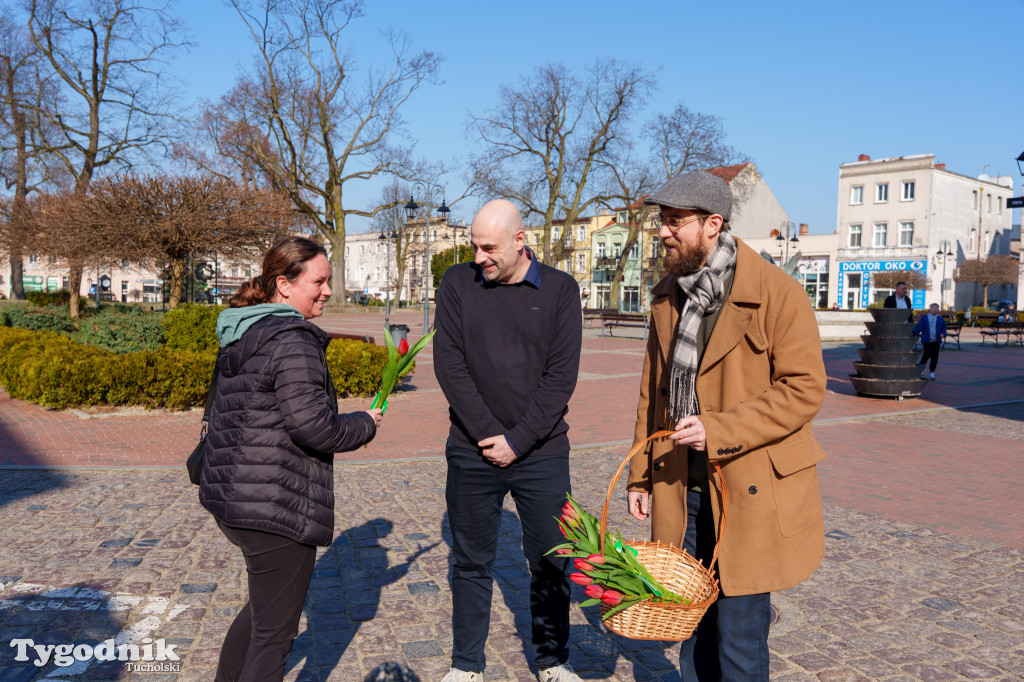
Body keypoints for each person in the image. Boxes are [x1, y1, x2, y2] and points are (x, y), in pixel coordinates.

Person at [626, 171, 827, 681]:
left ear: (713, 224)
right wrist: (640, 474)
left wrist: (720, 428)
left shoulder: (778, 294)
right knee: (691, 627)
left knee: (738, 639)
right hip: (681, 487)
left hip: (748, 490)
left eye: (675, 222)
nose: (664, 232)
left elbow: (804, 389)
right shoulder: (666, 295)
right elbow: (653, 394)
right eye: (662, 221)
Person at [199, 236, 384, 682]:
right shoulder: (293, 340)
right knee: (274, 636)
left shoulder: (245, 328)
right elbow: (313, 427)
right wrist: (366, 423)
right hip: (275, 506)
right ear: (283, 284)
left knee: (263, 612)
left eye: (328, 281)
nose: (326, 291)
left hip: (234, 498)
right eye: (318, 282)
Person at [433, 199, 583, 682]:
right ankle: (466, 666)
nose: (479, 257)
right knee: (472, 562)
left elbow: (560, 379)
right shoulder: (457, 283)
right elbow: (449, 365)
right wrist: (487, 435)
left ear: (521, 240)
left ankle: (553, 662)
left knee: (551, 559)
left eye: (489, 247)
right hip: (472, 447)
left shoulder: (560, 289)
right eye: (474, 245)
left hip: (541, 451)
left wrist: (517, 442)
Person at [912, 303, 947, 380]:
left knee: (935, 356)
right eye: (933, 308)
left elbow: (944, 328)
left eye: (936, 308)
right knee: (927, 354)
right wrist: (913, 332)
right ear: (930, 309)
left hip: (936, 341)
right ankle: (921, 368)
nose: (935, 309)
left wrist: (943, 334)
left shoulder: (940, 319)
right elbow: (919, 327)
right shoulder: (924, 318)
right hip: (927, 340)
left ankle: (932, 371)